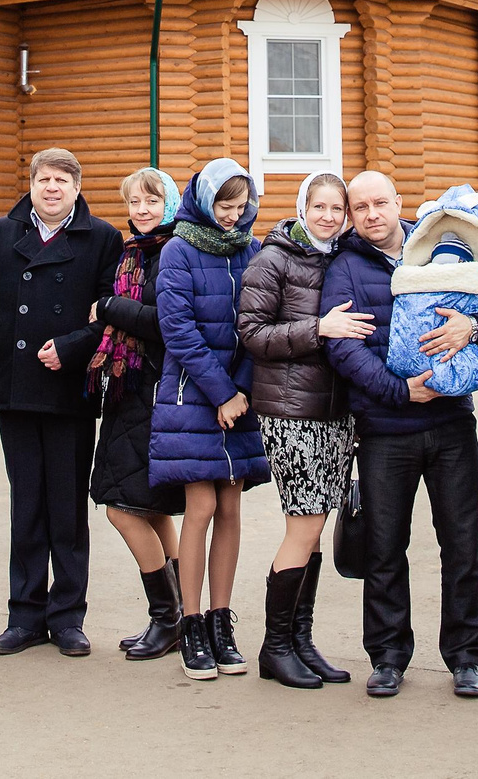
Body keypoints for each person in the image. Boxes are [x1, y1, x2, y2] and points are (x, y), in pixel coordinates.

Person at [321, 169, 478, 702]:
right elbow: (344, 347)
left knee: (462, 545)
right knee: (384, 548)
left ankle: (466, 658)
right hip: (385, 430)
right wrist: (401, 392)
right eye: (361, 207)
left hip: (451, 423)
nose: (372, 215)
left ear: (399, 204)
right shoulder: (345, 267)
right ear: (352, 214)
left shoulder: (445, 246)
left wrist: (477, 328)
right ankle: (389, 656)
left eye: (380, 203)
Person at [0, 147, 123, 657]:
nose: (51, 187)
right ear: (31, 184)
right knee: (26, 504)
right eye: (43, 179)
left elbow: (109, 313)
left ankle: (68, 617)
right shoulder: (0, 234)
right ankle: (25, 616)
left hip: (68, 389)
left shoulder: (102, 238)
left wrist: (73, 348)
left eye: (61, 180)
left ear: (77, 188)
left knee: (67, 506)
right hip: (16, 391)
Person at [236, 170, 369, 689]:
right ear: (302, 208)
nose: (330, 217)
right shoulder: (274, 259)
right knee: (305, 526)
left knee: (311, 530)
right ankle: (275, 647)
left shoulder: (345, 258)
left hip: (337, 413)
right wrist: (320, 329)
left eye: (339, 209)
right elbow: (252, 333)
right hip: (291, 412)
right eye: (320, 207)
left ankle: (300, 639)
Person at [151, 158, 272, 681]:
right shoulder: (177, 249)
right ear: (203, 200)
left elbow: (259, 321)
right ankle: (192, 624)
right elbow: (176, 329)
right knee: (199, 504)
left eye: (240, 206)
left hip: (239, 399)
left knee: (231, 506)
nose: (232, 216)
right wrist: (222, 393)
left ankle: (222, 622)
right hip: (192, 395)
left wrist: (242, 388)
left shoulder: (251, 250)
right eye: (224, 206)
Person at [89, 167, 187, 660]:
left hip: (154, 391)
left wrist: (107, 306)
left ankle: (166, 618)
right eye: (134, 202)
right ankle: (180, 615)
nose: (142, 210)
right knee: (150, 508)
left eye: (152, 201)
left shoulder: (170, 252)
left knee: (121, 508)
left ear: (169, 204)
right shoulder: (135, 253)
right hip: (134, 390)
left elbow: (165, 323)